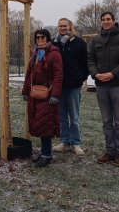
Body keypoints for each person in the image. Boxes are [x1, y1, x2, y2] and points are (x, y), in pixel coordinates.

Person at [88, 11, 119, 167]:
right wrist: (95, 74)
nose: (106, 22)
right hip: (101, 87)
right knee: (107, 121)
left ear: (114, 21)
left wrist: (113, 74)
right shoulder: (95, 40)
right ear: (100, 22)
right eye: (103, 20)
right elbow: (90, 59)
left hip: (118, 85)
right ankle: (109, 151)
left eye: (108, 19)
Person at [22, 29, 63, 167]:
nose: (40, 39)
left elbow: (58, 75)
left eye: (42, 37)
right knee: (38, 123)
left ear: (48, 38)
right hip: (35, 94)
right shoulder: (35, 54)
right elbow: (29, 74)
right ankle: (44, 152)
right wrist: (25, 91)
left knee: (46, 124)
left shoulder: (54, 54)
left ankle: (46, 155)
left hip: (48, 94)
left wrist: (55, 94)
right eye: (37, 37)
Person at [52, 18, 89, 155]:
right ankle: (64, 141)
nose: (62, 28)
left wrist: (81, 78)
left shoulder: (78, 42)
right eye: (60, 25)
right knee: (62, 116)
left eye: (64, 25)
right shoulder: (54, 43)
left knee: (74, 116)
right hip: (59, 86)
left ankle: (76, 143)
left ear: (70, 26)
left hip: (73, 85)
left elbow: (85, 62)